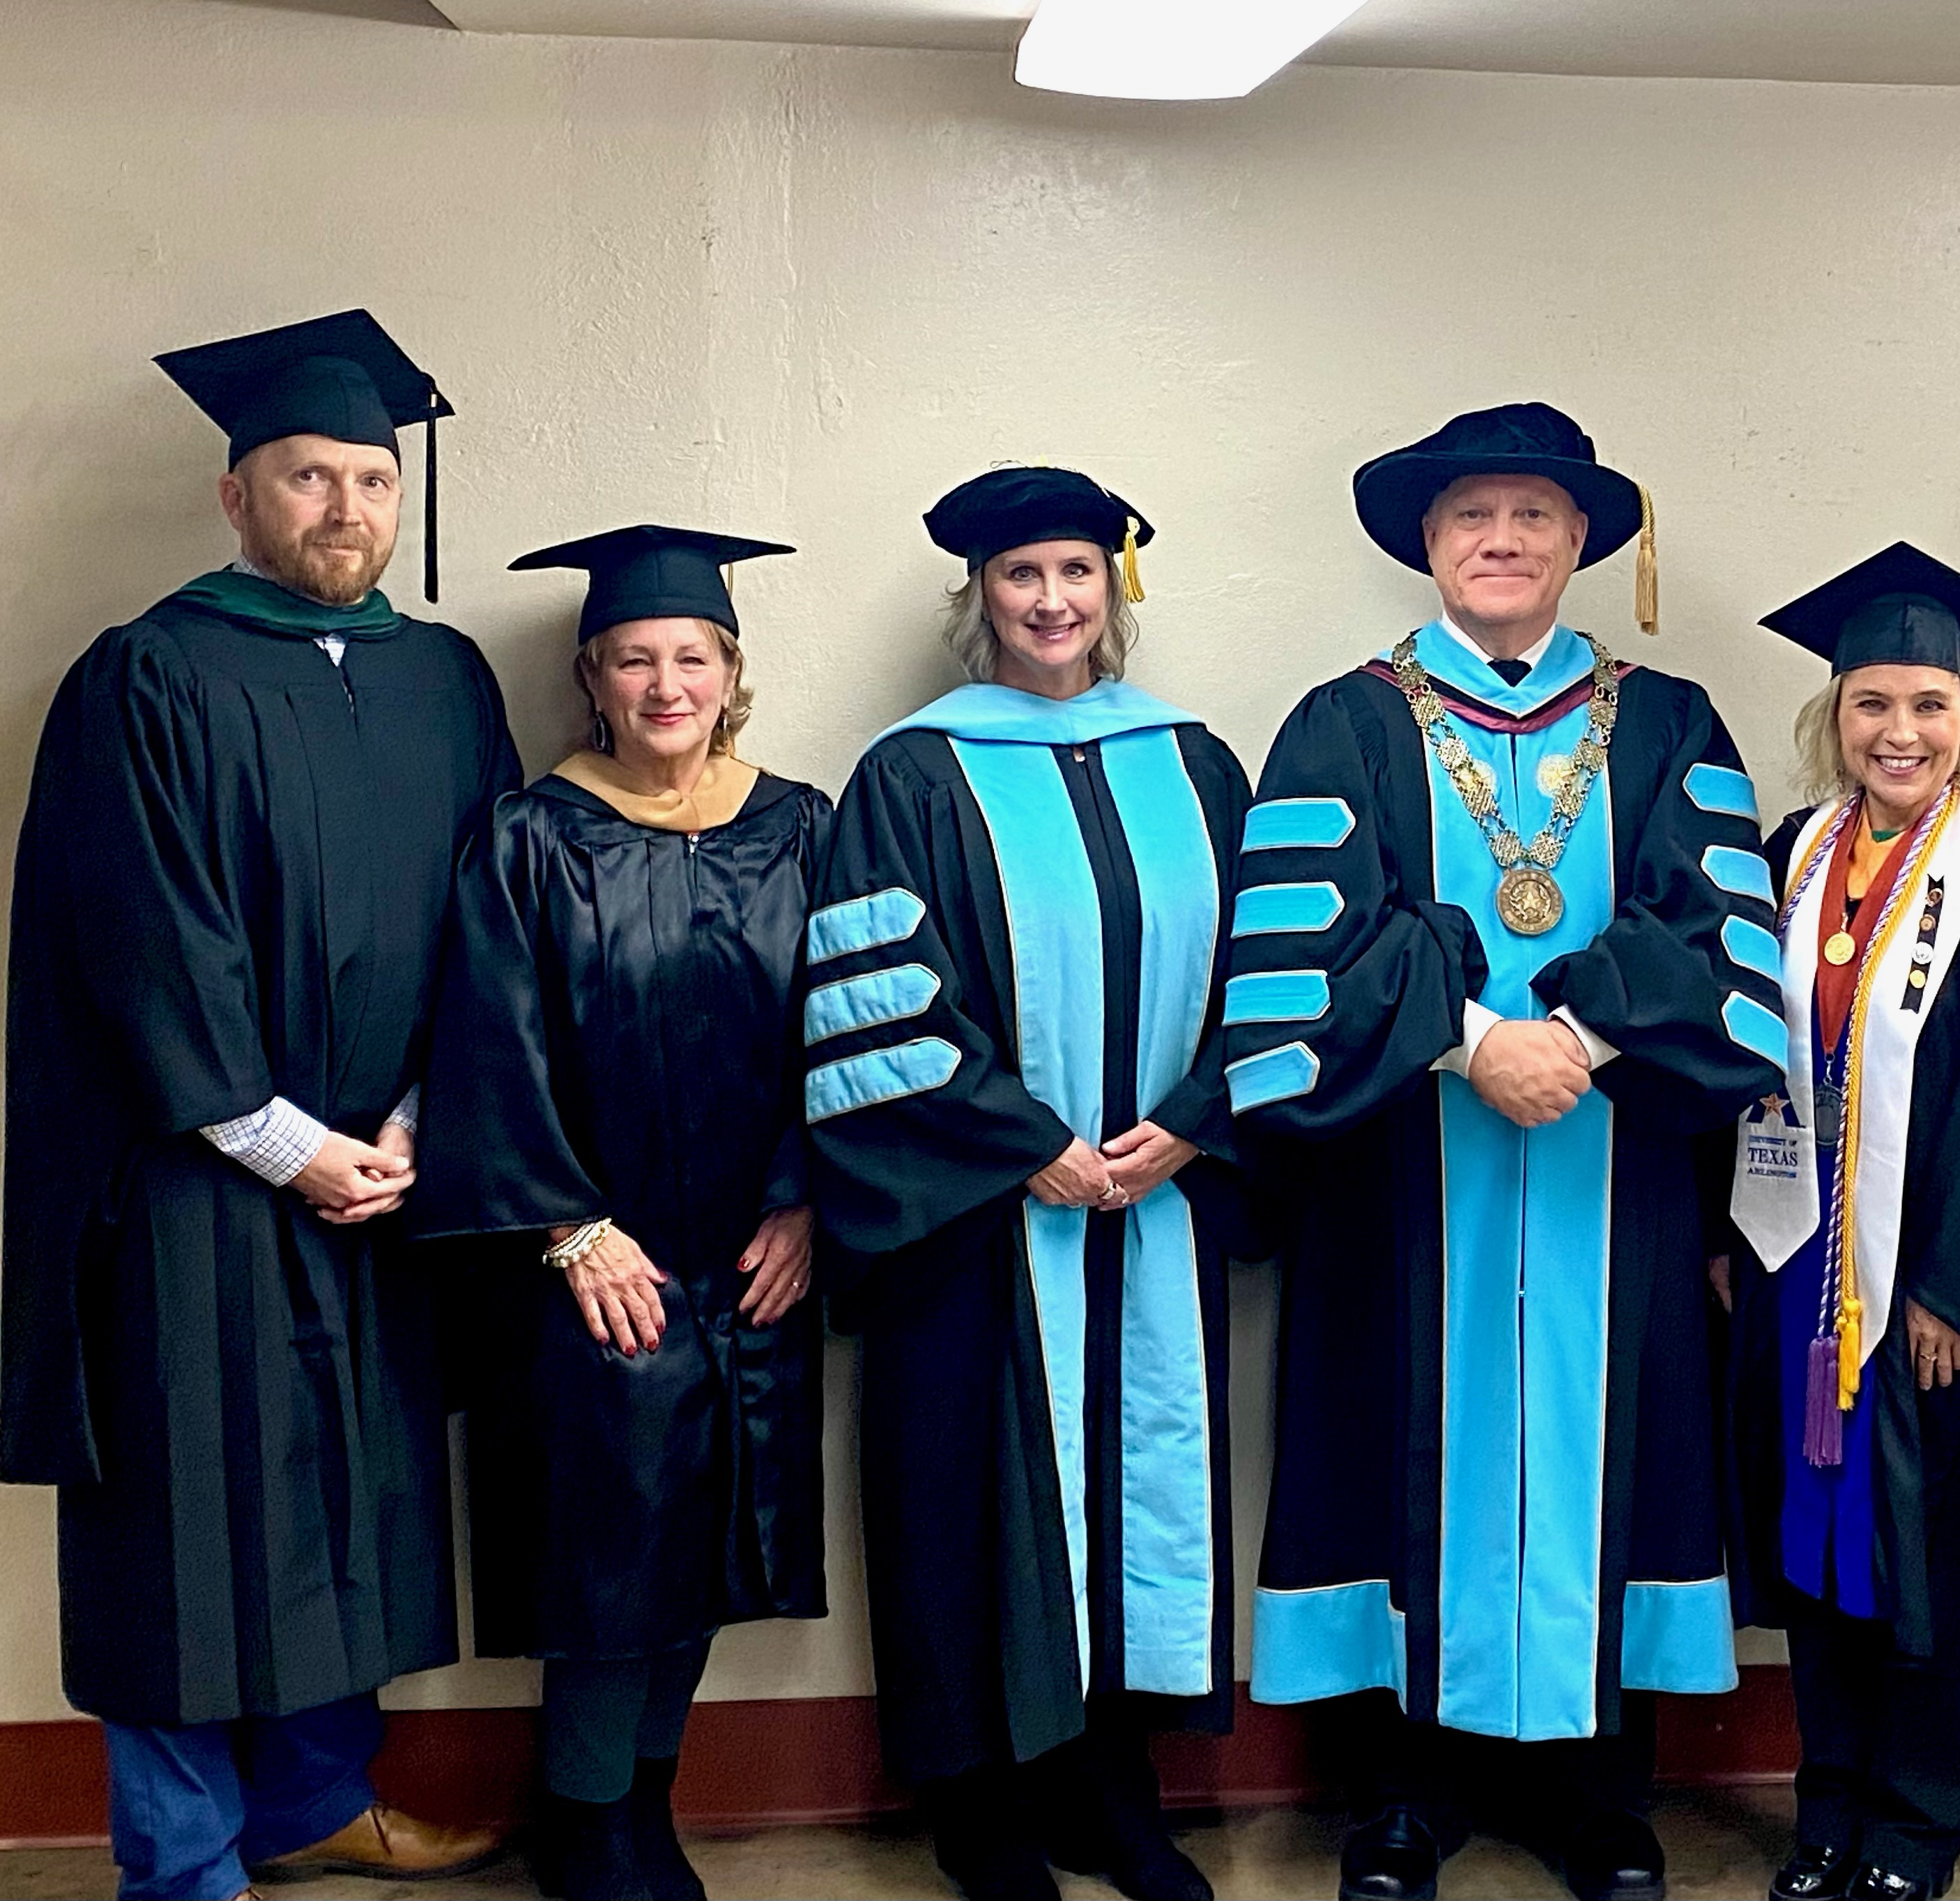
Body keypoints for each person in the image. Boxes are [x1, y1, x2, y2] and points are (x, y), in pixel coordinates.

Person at [1228, 402, 1785, 1901]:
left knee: (1618, 1455)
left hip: (1620, 1187)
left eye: (1534, 516)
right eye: (1473, 513)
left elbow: (1726, 937)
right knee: (1403, 1439)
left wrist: (1586, 1040)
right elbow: (1294, 971)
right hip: (1406, 1181)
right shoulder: (1341, 721)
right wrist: (1473, 1039)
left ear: (1581, 542)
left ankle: (1605, 1797)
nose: (1501, 539)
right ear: (1427, 540)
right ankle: (1403, 1796)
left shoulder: (1669, 722)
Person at [0, 310, 518, 1901]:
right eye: (309, 476)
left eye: (371, 476)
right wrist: (286, 1141)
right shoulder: (145, 674)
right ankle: (185, 1860)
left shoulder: (447, 678)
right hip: (194, 1179)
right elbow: (139, 938)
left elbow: (492, 912)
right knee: (185, 1516)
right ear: (239, 495)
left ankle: (313, 1798)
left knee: (356, 1498)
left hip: (395, 1168)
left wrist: (431, 1114)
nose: (348, 507)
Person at [802, 468, 1248, 1901]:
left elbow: (1277, 970)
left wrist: (1189, 1123)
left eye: (1074, 571)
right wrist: (1022, 1141)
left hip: (1157, 1208)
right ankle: (980, 1804)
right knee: (967, 1505)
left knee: (1134, 1497)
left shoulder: (1194, 760)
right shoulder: (913, 772)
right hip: (984, 1223)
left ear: (1115, 585)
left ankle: (1108, 1790)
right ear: (977, 596)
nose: (1052, 600)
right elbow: (875, 1007)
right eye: (1020, 577)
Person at [411, 526, 829, 1901]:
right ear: (595, 674)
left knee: (711, 1541)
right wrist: (570, 1225)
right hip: (598, 1255)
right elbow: (489, 1041)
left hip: (756, 1250)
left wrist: (808, 1193)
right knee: (610, 1550)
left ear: (730, 670)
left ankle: (646, 1805)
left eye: (691, 656)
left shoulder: (804, 825)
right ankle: (587, 1818)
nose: (666, 683)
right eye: (636, 658)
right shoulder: (533, 834)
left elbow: (859, 1028)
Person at [1717, 544, 1960, 1901]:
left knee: (1919, 1558)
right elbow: (1746, 1048)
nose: (1900, 733)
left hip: (1918, 1290)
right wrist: (1730, 1220)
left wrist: (1952, 1288)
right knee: (1821, 1559)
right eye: (1873, 705)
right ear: (1836, 715)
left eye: (1929, 706)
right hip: (1797, 1271)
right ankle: (1827, 1807)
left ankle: (1917, 1823)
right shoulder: (1792, 854)